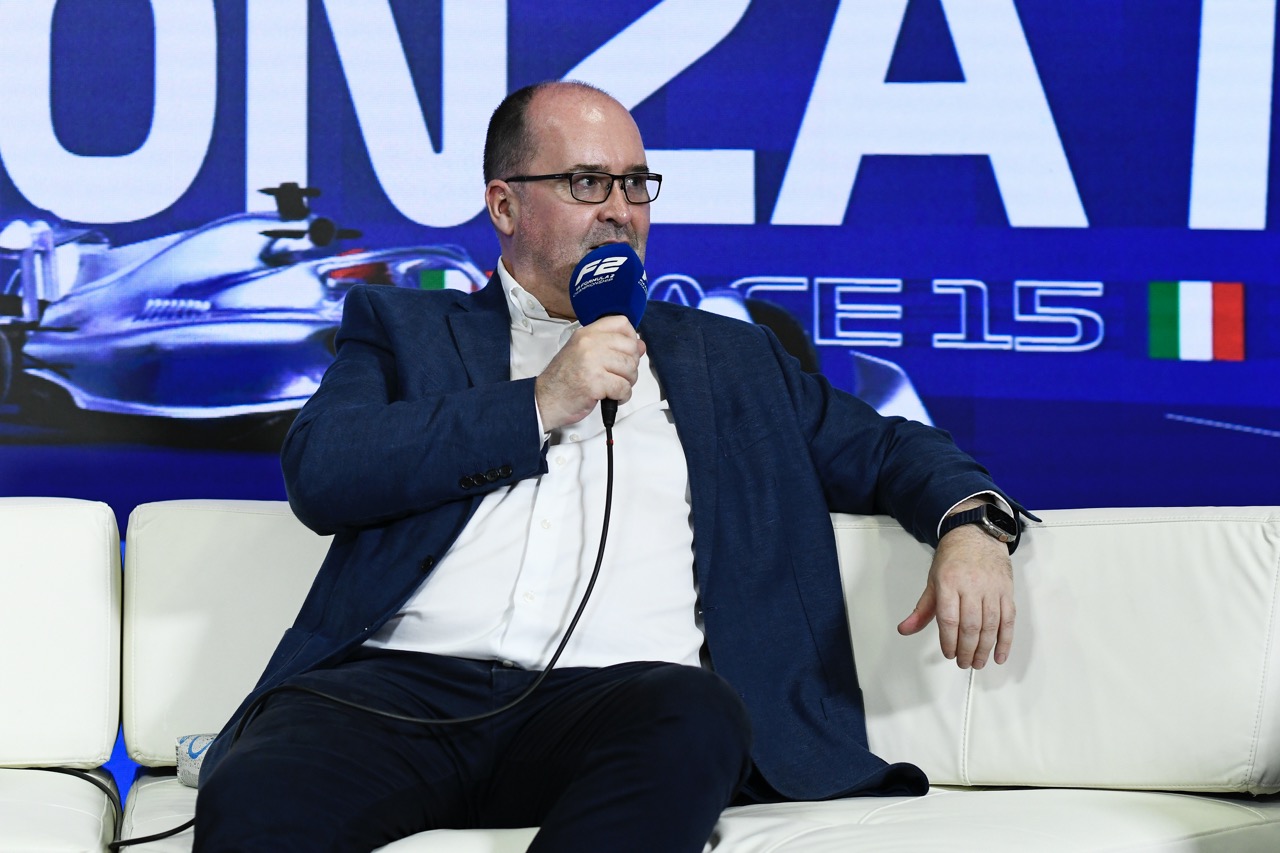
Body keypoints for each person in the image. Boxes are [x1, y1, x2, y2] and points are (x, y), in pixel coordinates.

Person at [194, 80, 1030, 852]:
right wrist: (538, 401)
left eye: (635, 184)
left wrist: (972, 525)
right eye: (588, 182)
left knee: (696, 712)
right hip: (399, 696)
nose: (621, 210)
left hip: (616, 706)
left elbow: (890, 447)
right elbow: (325, 469)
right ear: (505, 205)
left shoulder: (730, 360)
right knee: (261, 786)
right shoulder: (406, 329)